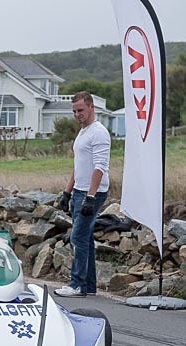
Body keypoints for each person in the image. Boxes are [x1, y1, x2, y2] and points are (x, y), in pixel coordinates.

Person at [54, 91, 111, 298]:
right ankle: (88, 285)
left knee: (77, 237)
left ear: (91, 107)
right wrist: (67, 192)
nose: (77, 114)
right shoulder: (83, 132)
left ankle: (76, 284)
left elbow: (99, 166)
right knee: (85, 238)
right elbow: (78, 166)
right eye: (74, 111)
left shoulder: (99, 133)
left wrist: (91, 196)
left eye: (81, 110)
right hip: (79, 191)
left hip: (92, 192)